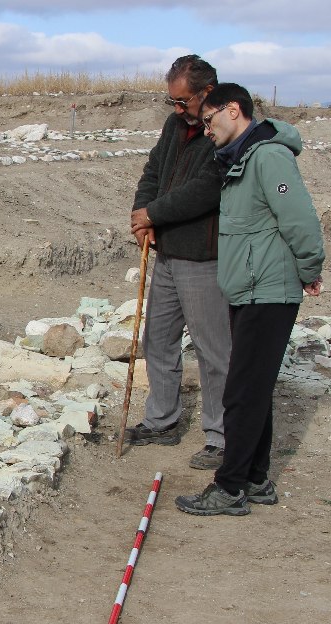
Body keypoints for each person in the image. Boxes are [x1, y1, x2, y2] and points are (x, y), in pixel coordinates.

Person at [176, 83, 325, 516]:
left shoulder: (269, 157)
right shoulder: (244, 157)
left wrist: (310, 268)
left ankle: (230, 487)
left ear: (234, 109)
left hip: (269, 290)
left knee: (241, 390)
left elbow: (298, 217)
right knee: (253, 387)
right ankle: (256, 479)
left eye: (209, 119)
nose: (206, 130)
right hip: (251, 288)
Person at [127, 54, 232, 471]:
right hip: (167, 252)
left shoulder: (225, 130)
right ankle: (162, 420)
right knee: (158, 340)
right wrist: (141, 214)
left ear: (207, 93)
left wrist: (156, 214)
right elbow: (154, 171)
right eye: (172, 101)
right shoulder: (176, 125)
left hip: (204, 256)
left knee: (213, 350)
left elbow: (206, 189)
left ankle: (222, 436)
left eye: (183, 101)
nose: (177, 109)